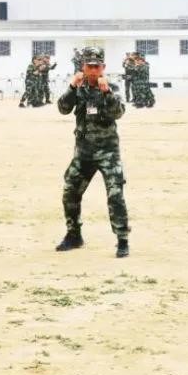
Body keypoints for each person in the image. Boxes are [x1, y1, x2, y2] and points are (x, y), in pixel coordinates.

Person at [55, 47, 130, 258]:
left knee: (115, 195)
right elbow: (62, 108)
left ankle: (122, 239)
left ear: (103, 67)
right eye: (90, 66)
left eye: (97, 66)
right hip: (84, 152)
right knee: (70, 191)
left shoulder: (112, 87)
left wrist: (107, 93)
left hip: (108, 152)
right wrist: (72, 87)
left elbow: (118, 113)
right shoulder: (78, 88)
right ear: (83, 67)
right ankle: (74, 235)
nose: (93, 70)